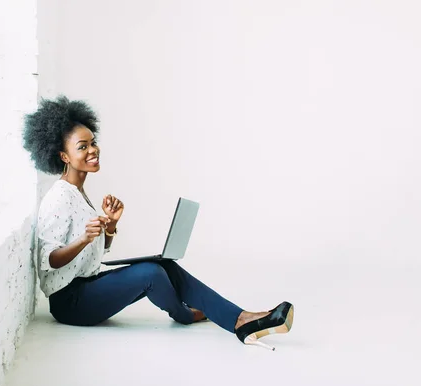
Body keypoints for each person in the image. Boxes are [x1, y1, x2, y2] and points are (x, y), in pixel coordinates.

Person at [23, 96, 294, 350]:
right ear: (64, 156)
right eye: (82, 147)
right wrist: (82, 239)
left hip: (86, 286)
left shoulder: (79, 193)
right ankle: (189, 315)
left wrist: (110, 228)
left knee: (163, 265)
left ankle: (241, 318)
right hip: (70, 303)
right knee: (150, 274)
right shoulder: (58, 197)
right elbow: (50, 260)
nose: (93, 150)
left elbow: (95, 251)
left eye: (93, 142)